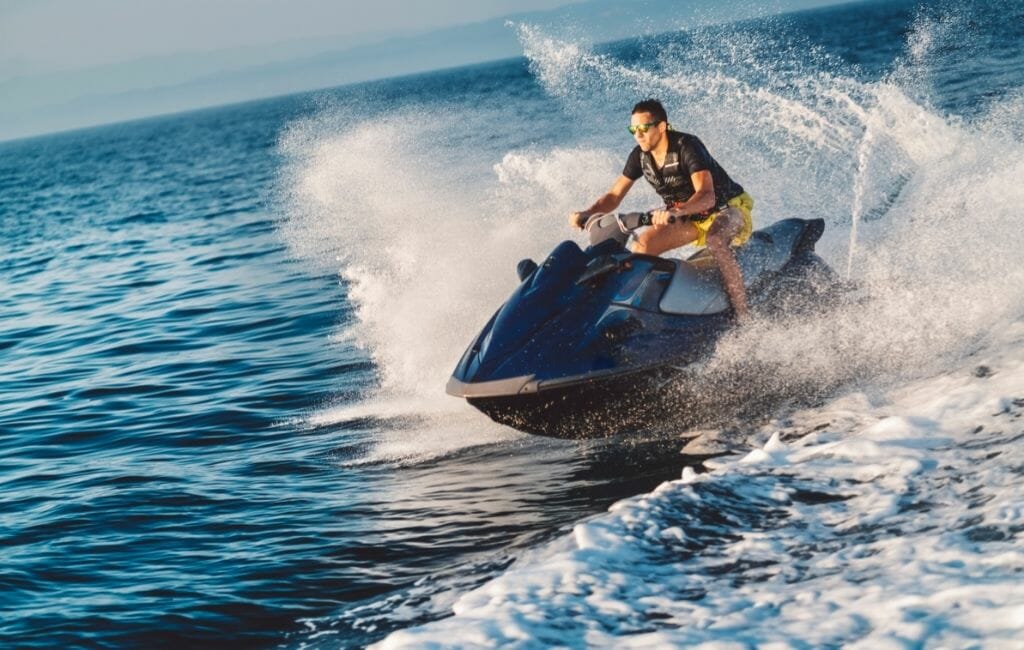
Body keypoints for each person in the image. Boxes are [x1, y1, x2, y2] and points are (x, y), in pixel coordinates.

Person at [569, 99, 755, 322]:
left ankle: (744, 315)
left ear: (661, 127)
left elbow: (707, 196)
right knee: (643, 246)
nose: (638, 135)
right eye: (633, 129)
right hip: (690, 218)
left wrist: (676, 212)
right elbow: (614, 196)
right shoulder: (639, 156)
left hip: (727, 208)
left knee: (715, 240)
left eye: (644, 128)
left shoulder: (687, 146)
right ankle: (634, 316)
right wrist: (587, 213)